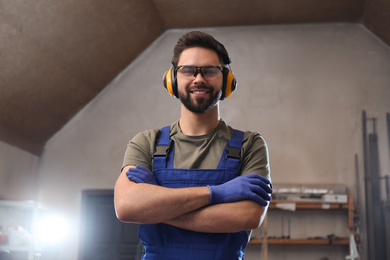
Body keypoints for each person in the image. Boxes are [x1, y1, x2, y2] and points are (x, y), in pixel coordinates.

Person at [114, 31, 272, 260]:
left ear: (227, 80)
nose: (199, 79)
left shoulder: (250, 144)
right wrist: (217, 193)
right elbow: (128, 207)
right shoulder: (146, 143)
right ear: (172, 80)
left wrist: (157, 209)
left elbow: (248, 216)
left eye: (209, 70)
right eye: (188, 70)